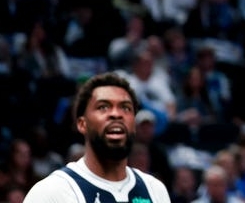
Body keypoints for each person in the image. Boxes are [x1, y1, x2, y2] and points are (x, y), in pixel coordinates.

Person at [25, 72, 172, 202]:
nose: (116, 114)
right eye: (103, 107)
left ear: (133, 125)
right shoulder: (53, 192)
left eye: (125, 107)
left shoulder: (155, 190)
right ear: (82, 124)